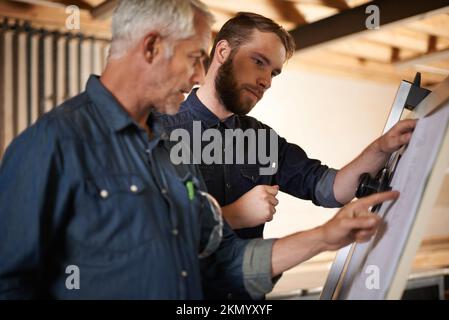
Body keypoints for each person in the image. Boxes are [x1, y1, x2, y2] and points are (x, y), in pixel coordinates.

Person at [0, 1, 399, 300]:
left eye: (273, 72)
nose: (197, 75)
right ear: (152, 47)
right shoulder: (52, 145)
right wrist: (236, 213)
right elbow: (11, 282)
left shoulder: (161, 148)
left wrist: (325, 237)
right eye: (194, 58)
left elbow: (222, 259)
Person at [159, 12, 417, 241]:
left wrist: (381, 148)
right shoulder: (157, 128)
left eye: (273, 73)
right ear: (223, 51)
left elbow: (329, 188)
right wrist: (236, 214)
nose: (266, 82)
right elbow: (150, 232)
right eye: (259, 62)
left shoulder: (262, 140)